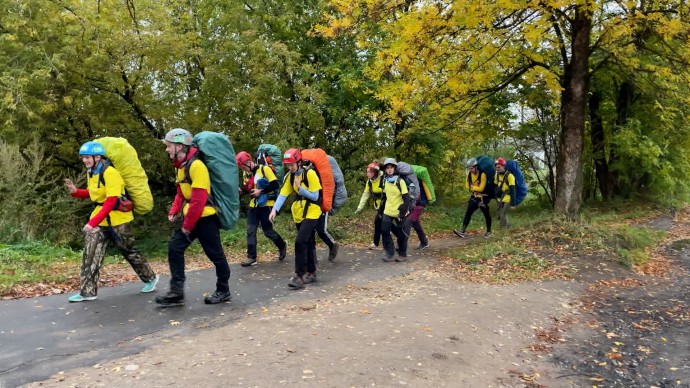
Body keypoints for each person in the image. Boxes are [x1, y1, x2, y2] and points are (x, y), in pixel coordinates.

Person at [64, 141, 158, 302]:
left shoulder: (111, 173)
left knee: (129, 252)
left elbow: (111, 201)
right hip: (101, 220)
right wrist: (76, 192)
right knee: (90, 254)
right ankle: (87, 292)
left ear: (98, 157)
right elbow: (95, 194)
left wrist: (92, 222)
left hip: (118, 220)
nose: (85, 161)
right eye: (83, 158)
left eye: (87, 157)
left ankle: (150, 278)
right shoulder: (91, 172)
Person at [155, 128, 231, 306]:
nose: (167, 149)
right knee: (174, 247)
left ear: (180, 146)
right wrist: (174, 210)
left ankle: (223, 290)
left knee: (216, 255)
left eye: (169, 146)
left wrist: (187, 225)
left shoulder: (197, 166)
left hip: (205, 217)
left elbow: (198, 199)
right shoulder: (181, 166)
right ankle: (176, 292)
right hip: (191, 216)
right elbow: (181, 192)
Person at [269, 148, 322, 289]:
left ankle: (299, 276)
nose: (290, 167)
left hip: (313, 212)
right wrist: (275, 209)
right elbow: (283, 194)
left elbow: (316, 196)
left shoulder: (310, 174)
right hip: (299, 213)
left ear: (299, 162)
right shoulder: (290, 176)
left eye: (292, 164)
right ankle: (311, 272)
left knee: (300, 241)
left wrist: (301, 189)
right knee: (308, 242)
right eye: (288, 165)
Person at [236, 151, 287, 267]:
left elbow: (275, 185)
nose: (243, 169)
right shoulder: (246, 174)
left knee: (268, 232)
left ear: (249, 162)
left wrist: (261, 191)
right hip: (253, 206)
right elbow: (249, 189)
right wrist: (242, 191)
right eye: (241, 167)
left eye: (244, 166)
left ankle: (282, 245)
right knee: (250, 231)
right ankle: (251, 257)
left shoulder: (265, 170)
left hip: (266, 205)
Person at [378, 158, 411, 262]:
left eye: (391, 167)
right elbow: (385, 197)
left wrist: (403, 212)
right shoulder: (385, 181)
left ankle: (402, 254)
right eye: (387, 168)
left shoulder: (400, 181)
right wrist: (380, 209)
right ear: (385, 170)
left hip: (399, 212)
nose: (389, 170)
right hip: (388, 210)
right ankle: (389, 252)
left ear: (395, 169)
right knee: (384, 230)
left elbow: (406, 198)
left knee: (401, 233)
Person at [453, 158, 492, 238]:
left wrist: (473, 188)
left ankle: (489, 231)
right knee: (469, 211)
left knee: (486, 213)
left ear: (476, 167)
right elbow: (467, 186)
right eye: (469, 168)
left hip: (484, 197)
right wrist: (474, 188)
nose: (471, 170)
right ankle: (462, 231)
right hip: (475, 196)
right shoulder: (469, 174)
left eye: (472, 168)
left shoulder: (482, 175)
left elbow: (481, 188)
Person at [354, 162, 384, 249]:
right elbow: (365, 194)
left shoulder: (383, 179)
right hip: (378, 207)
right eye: (367, 172)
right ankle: (401, 238)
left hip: (387, 205)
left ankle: (376, 243)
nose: (368, 174)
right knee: (386, 224)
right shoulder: (369, 182)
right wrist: (359, 208)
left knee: (378, 222)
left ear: (375, 172)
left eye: (370, 172)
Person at [494, 157, 516, 228]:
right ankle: (508, 226)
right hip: (501, 197)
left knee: (503, 213)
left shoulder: (510, 176)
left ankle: (502, 228)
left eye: (499, 167)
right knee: (502, 213)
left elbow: (513, 190)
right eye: (496, 167)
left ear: (503, 166)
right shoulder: (496, 175)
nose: (497, 169)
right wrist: (497, 195)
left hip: (508, 196)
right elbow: (495, 186)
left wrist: (513, 204)